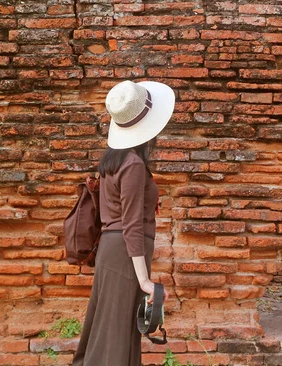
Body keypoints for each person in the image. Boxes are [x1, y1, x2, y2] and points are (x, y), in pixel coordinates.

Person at [72, 80, 175, 365]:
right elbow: (131, 224)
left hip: (114, 251)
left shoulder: (113, 160)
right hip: (124, 254)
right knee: (115, 333)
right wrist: (144, 279)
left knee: (111, 329)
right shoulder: (132, 164)